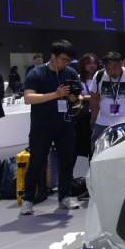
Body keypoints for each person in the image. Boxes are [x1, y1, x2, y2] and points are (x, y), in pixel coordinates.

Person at [20, 40, 84, 214]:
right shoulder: (36, 73)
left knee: (66, 162)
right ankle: (28, 200)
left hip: (65, 125)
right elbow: (29, 98)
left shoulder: (70, 72)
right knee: (36, 163)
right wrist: (55, 95)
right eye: (63, 59)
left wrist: (74, 99)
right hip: (42, 126)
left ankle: (64, 196)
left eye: (68, 60)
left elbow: (78, 97)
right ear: (52, 56)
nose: (66, 63)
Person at [73, 53, 99, 165]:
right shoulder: (78, 80)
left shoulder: (101, 78)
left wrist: (85, 97)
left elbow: (102, 96)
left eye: (94, 63)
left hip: (100, 115)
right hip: (84, 116)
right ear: (83, 65)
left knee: (97, 147)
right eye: (89, 63)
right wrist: (92, 97)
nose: (92, 65)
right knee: (86, 146)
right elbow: (76, 96)